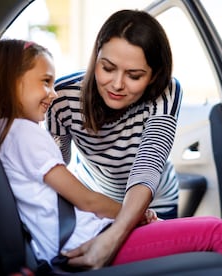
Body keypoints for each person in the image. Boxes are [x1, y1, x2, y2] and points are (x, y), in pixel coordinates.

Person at [0, 38, 222, 271]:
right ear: (12, 81)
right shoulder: (24, 133)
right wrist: (138, 216)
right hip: (86, 240)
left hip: (78, 236)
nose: (52, 94)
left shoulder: (1, 133)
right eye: (45, 82)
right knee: (218, 232)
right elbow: (86, 200)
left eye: (53, 83)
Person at [46, 9, 181, 220]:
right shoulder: (62, 97)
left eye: (134, 75)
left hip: (156, 203)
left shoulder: (167, 90)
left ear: (154, 76)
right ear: (96, 58)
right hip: (95, 201)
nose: (117, 85)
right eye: (108, 68)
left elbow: (147, 165)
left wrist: (125, 223)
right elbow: (56, 164)